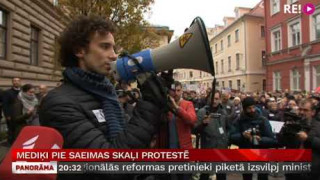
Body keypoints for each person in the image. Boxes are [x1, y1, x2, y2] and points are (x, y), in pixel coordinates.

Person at [39, 16, 167, 180]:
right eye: (105, 47)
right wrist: (150, 104)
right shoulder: (58, 104)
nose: (114, 55)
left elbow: (129, 140)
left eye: (113, 48)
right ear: (80, 50)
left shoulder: (107, 94)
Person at [230, 97, 276, 180]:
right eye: (249, 108)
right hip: (246, 153)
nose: (252, 110)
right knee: (247, 177)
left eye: (253, 107)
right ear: (244, 109)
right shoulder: (239, 120)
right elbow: (232, 136)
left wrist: (260, 139)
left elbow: (272, 139)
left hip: (262, 154)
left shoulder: (263, 120)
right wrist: (242, 135)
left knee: (262, 177)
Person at [195, 91, 228, 180]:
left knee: (222, 175)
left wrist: (227, 139)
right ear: (209, 98)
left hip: (222, 148)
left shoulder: (223, 112)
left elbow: (227, 127)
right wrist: (203, 124)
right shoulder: (202, 112)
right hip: (207, 148)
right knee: (205, 175)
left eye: (217, 99)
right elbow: (195, 129)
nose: (214, 101)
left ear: (220, 99)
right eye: (212, 98)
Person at [2, 77, 21, 144]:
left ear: (20, 82)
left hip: (21, 114)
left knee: (19, 129)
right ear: (12, 82)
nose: (16, 82)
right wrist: (7, 115)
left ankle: (18, 142)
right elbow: (5, 105)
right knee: (11, 129)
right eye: (14, 81)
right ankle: (10, 142)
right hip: (11, 114)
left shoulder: (22, 91)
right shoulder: (7, 92)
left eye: (18, 81)